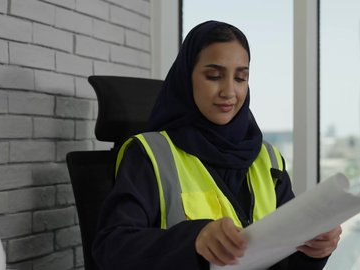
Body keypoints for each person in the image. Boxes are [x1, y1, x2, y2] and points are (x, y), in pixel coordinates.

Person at [92, 20, 341, 270]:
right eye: (214, 76)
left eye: (241, 78)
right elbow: (112, 249)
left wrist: (314, 250)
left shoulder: (268, 158)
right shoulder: (150, 154)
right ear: (186, 77)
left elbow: (287, 262)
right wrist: (195, 240)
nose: (229, 91)